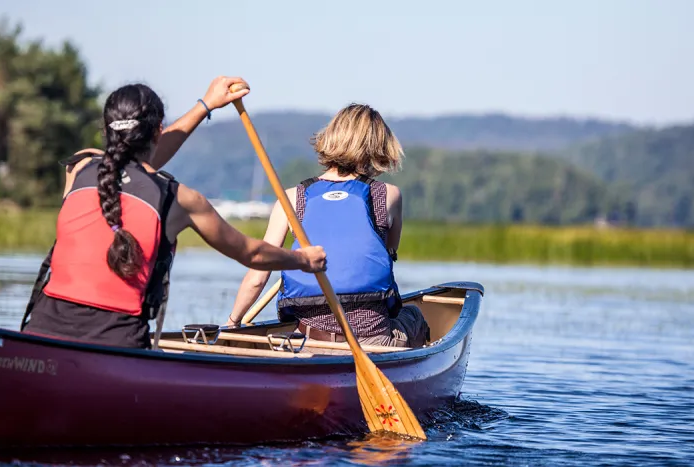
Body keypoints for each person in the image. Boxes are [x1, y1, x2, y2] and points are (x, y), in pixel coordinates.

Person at [22, 76, 326, 349]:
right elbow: (252, 254)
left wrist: (205, 105)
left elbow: (135, 162)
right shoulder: (180, 199)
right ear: (157, 131)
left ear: (106, 129)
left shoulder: (80, 168)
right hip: (117, 344)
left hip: (42, 334)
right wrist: (302, 259)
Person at [226, 103, 430, 349]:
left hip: (310, 340)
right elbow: (387, 252)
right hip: (373, 341)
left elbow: (257, 277)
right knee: (415, 317)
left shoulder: (291, 198)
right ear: (377, 146)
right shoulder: (389, 195)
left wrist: (233, 321)